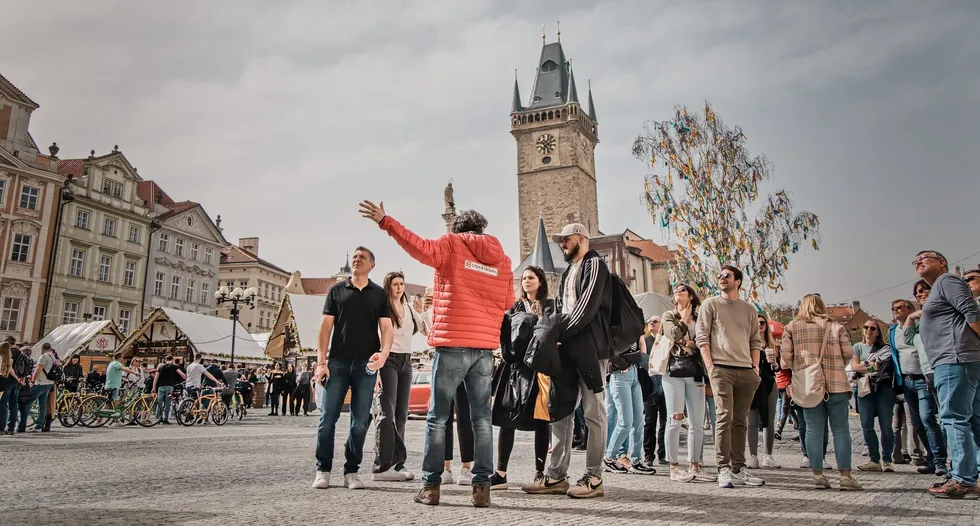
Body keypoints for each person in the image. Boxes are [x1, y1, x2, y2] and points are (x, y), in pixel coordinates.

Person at [359, 201, 513, 508]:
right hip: (484, 349)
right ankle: (482, 488)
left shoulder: (451, 244)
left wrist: (386, 221)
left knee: (438, 418)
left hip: (453, 341)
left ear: (457, 228)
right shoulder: (503, 260)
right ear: (482, 228)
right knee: (481, 420)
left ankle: (431, 487)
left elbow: (418, 247)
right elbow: (508, 301)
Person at [523, 223, 612, 499]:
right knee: (560, 410)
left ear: (582, 239)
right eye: (560, 240)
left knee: (593, 411)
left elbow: (586, 308)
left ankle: (594, 476)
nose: (562, 244)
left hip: (591, 349)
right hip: (568, 349)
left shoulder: (594, 264)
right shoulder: (567, 273)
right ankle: (556, 476)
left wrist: (560, 334)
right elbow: (561, 309)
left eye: (567, 239)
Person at [311, 246, 395, 493]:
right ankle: (323, 469)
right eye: (355, 257)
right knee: (327, 419)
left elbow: (387, 328)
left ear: (372, 265)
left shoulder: (379, 294)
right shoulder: (336, 290)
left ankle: (351, 471)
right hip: (337, 362)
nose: (357, 260)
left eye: (363, 257)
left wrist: (384, 355)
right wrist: (321, 362)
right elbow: (325, 328)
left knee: (360, 422)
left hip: (366, 365)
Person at [914, 250, 980, 498]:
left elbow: (972, 313)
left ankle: (963, 480)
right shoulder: (942, 286)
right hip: (958, 360)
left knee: (954, 418)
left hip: (955, 360)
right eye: (916, 260)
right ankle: (972, 476)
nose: (919, 261)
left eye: (925, 257)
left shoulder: (947, 281)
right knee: (973, 419)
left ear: (942, 262)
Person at [781, 294, 862, 491]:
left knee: (812, 430)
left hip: (809, 385)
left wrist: (800, 368)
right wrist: (836, 365)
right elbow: (849, 353)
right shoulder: (835, 326)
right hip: (836, 383)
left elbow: (785, 357)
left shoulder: (792, 327)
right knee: (841, 430)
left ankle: (818, 475)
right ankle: (845, 476)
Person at [696, 265, 766, 489]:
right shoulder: (711, 304)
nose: (721, 278)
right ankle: (723, 468)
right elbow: (702, 337)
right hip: (721, 369)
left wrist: (755, 368)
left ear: (738, 281)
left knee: (740, 422)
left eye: (726, 276)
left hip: (746, 370)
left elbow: (756, 340)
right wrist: (710, 366)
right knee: (724, 417)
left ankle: (739, 468)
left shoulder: (749, 309)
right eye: (720, 276)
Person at [490, 266, 555, 490]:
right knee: (507, 419)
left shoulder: (550, 305)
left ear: (540, 281)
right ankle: (500, 473)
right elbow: (504, 335)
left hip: (540, 370)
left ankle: (539, 473)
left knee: (541, 421)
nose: (527, 281)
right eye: (524, 278)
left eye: (531, 277)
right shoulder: (515, 307)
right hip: (515, 370)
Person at [373, 271, 429, 482]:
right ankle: (381, 466)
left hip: (406, 361)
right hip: (387, 360)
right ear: (388, 286)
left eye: (401, 284)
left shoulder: (408, 308)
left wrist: (423, 311)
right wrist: (376, 368)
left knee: (401, 413)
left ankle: (398, 463)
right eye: (395, 284)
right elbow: (375, 338)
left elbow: (426, 331)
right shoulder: (382, 308)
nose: (399, 287)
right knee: (386, 412)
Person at [659, 284, 714, 483]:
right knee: (674, 418)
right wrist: (683, 324)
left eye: (682, 289)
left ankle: (694, 465)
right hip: (672, 371)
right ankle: (673, 467)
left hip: (695, 371)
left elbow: (706, 342)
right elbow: (672, 334)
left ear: (690, 295)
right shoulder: (668, 315)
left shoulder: (700, 318)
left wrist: (692, 343)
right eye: (676, 290)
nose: (678, 291)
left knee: (697, 422)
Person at [890, 298, 948, 476]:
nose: (896, 310)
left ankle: (940, 461)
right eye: (893, 308)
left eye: (900, 307)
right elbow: (895, 355)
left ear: (910, 309)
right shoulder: (893, 331)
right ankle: (931, 458)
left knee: (927, 418)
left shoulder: (919, 326)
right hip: (906, 382)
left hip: (922, 379)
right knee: (917, 422)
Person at [851, 320, 897, 473]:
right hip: (865, 387)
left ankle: (887, 460)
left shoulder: (886, 348)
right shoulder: (857, 347)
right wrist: (872, 365)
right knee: (866, 424)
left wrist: (866, 365)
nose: (868, 330)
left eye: (872, 328)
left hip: (884, 387)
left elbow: (884, 366)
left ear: (878, 332)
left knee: (886, 425)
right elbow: (855, 367)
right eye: (865, 327)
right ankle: (874, 459)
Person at [747, 315, 781, 469]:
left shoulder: (772, 345)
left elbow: (777, 369)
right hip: (753, 383)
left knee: (769, 420)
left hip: (769, 383)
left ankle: (768, 455)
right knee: (752, 421)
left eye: (762, 323)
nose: (760, 325)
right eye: (757, 323)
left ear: (766, 326)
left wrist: (774, 362)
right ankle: (753, 456)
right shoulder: (748, 344)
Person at [643, 316, 668, 466]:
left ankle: (663, 454)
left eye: (655, 321)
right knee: (649, 421)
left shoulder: (666, 341)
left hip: (665, 384)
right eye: (650, 321)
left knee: (665, 421)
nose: (651, 323)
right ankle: (648, 454)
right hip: (650, 386)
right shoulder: (645, 342)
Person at [2, 341, 30, 435]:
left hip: (6, 381)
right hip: (17, 382)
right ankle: (11, 427)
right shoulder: (20, 353)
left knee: (3, 404)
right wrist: (19, 379)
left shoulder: (5, 353)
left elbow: (9, 369)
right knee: (13, 404)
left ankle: (2, 426)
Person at [153, 355, 185, 424]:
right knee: (168, 403)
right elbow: (182, 374)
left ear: (165, 360)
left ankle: (158, 418)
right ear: (172, 360)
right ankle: (165, 419)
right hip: (169, 387)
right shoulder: (174, 366)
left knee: (159, 403)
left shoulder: (161, 367)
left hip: (160, 387)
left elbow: (156, 378)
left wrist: (153, 387)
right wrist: (186, 379)